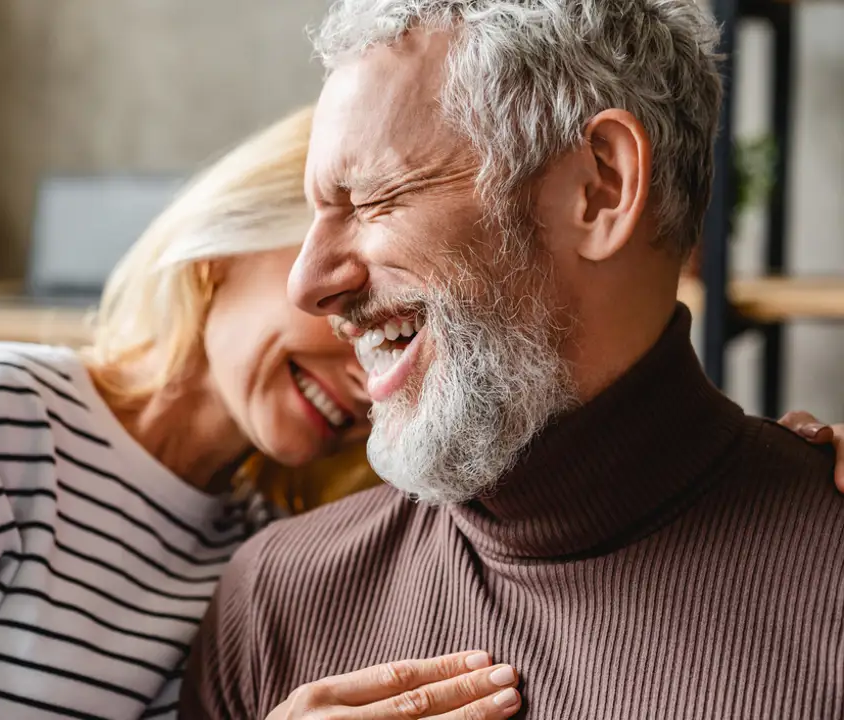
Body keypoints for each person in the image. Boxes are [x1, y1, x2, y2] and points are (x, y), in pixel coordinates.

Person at [181, 2, 844, 719]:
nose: (308, 283)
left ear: (600, 188)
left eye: (374, 199)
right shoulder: (277, 600)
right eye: (317, 213)